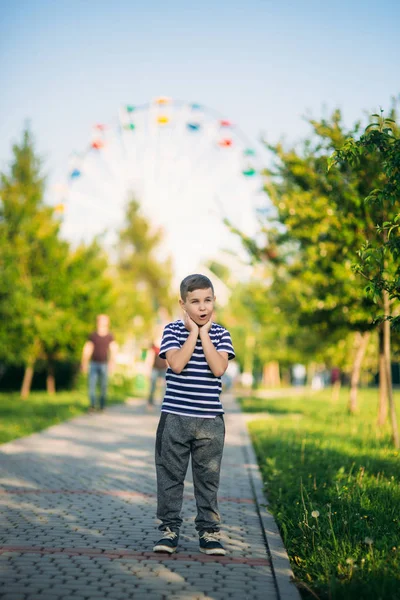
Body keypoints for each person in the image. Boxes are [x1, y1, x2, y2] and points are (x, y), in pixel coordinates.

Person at [153, 274, 235, 556]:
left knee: (207, 479)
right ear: (183, 304)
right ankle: (169, 530)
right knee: (170, 477)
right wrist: (192, 334)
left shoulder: (222, 333)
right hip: (174, 418)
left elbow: (218, 369)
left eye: (208, 300)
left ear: (214, 301)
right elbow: (176, 364)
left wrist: (204, 335)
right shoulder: (172, 331)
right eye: (195, 301)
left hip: (210, 421)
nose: (202, 307)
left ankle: (209, 533)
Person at [81, 314, 118, 412]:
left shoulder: (110, 336)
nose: (102, 322)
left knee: (103, 386)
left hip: (104, 364)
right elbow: (88, 349)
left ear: (107, 322)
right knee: (92, 385)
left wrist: (112, 363)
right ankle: (92, 406)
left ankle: (102, 406)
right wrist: (84, 362)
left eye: (104, 320)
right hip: (93, 363)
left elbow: (113, 350)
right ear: (97, 322)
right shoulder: (93, 335)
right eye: (101, 320)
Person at [147, 342, 167, 408]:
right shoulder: (154, 346)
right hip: (155, 368)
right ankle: (150, 403)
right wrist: (148, 370)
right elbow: (150, 357)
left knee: (164, 388)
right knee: (152, 386)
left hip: (164, 368)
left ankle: (164, 404)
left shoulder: (166, 342)